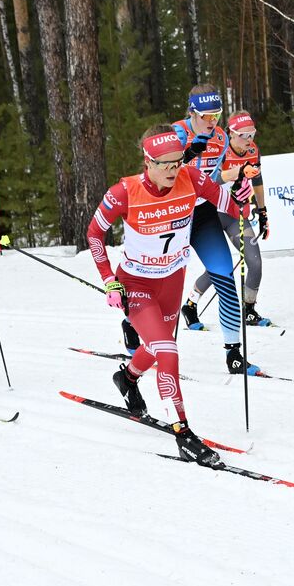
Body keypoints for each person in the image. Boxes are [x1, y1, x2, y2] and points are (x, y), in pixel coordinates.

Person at [88, 124, 253, 467]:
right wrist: (108, 279)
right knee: (168, 349)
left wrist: (241, 197)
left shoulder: (190, 177)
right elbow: (94, 234)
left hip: (173, 280)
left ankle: (128, 377)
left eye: (177, 161)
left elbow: (228, 204)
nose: (171, 169)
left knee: (153, 345)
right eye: (163, 163)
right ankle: (184, 433)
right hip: (137, 284)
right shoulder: (124, 191)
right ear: (147, 161)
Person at [162, 83, 258, 374]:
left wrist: (237, 186)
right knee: (159, 282)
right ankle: (134, 329)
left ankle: (233, 353)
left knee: (224, 274)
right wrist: (189, 153)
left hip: (202, 212)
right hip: (171, 214)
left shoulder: (220, 138)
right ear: (192, 111)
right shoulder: (176, 131)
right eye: (205, 115)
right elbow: (161, 174)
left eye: (216, 114)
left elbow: (213, 177)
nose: (211, 120)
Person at [181, 110, 271, 329]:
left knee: (255, 262)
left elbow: (257, 180)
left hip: (234, 214)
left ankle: (248, 310)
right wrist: (235, 177)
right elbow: (208, 179)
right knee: (220, 267)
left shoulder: (252, 150)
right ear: (231, 133)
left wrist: (262, 211)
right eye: (243, 135)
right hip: (211, 212)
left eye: (252, 134)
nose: (248, 140)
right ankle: (191, 304)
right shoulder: (220, 148)